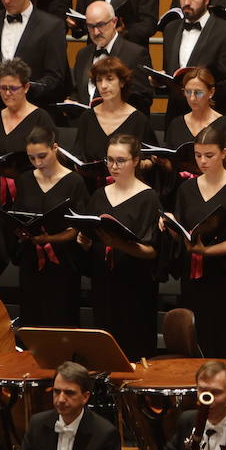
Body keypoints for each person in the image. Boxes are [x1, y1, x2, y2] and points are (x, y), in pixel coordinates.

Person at [168, 125, 226, 357]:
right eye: (198, 156)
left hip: (225, 277)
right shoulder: (187, 188)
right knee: (197, 338)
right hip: (194, 278)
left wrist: (207, 251)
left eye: (209, 155)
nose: (203, 162)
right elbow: (181, 227)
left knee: (225, 339)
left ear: (224, 153)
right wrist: (170, 225)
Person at [82, 133, 160, 358]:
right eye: (109, 160)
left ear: (135, 160)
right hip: (103, 283)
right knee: (104, 349)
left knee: (133, 348)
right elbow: (91, 237)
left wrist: (118, 243)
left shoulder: (148, 198)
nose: (113, 166)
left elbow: (152, 251)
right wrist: (84, 241)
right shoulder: (98, 195)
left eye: (120, 161)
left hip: (134, 287)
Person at [6, 124, 87, 327]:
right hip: (31, 260)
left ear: (55, 148)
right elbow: (19, 215)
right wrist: (20, 229)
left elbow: (77, 228)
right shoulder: (25, 180)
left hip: (62, 263)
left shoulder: (73, 181)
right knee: (33, 317)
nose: (37, 162)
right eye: (32, 158)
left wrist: (49, 239)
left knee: (61, 317)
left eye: (42, 156)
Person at [161, 0, 226, 121]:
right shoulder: (170, 29)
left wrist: (200, 91)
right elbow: (171, 74)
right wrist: (160, 81)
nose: (186, 2)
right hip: (176, 118)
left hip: (211, 118)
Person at [75, 54, 157, 172]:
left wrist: (139, 165)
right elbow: (78, 155)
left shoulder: (139, 119)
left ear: (122, 82)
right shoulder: (87, 117)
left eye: (109, 79)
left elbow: (151, 159)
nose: (103, 86)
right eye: (99, 80)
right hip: (92, 186)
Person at [73, 0, 153, 115]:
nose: (96, 32)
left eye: (100, 25)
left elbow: (143, 99)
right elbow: (78, 91)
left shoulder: (136, 54)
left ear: (114, 22)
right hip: (88, 125)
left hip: (121, 127)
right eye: (91, 26)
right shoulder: (82, 54)